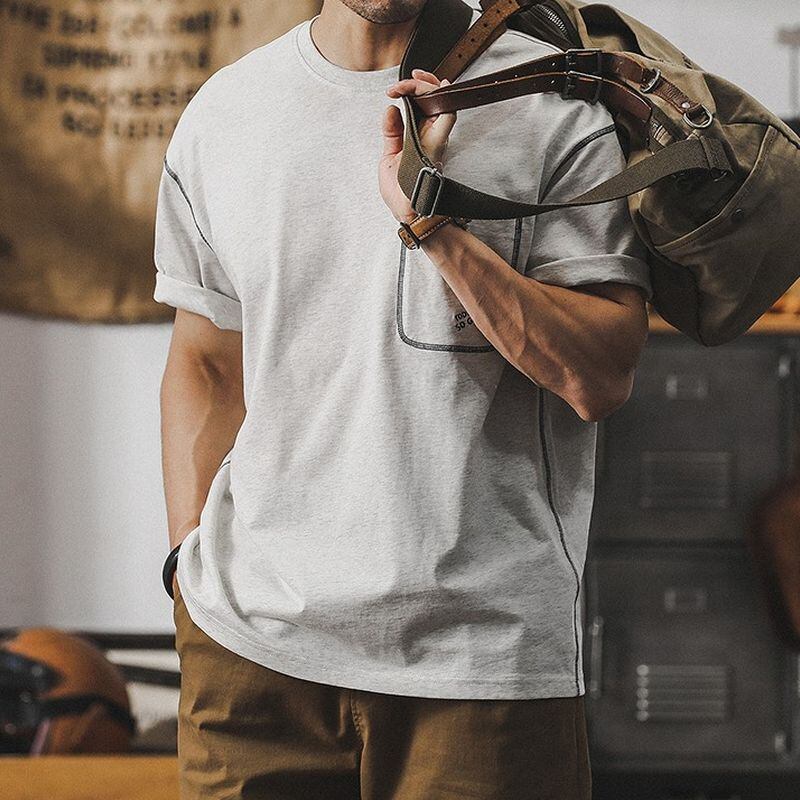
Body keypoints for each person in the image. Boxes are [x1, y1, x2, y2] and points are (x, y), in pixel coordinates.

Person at [153, 0, 652, 797]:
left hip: (477, 664)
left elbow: (600, 378)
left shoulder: (553, 111)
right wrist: (188, 564)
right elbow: (207, 363)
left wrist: (436, 228)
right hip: (249, 650)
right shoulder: (227, 112)